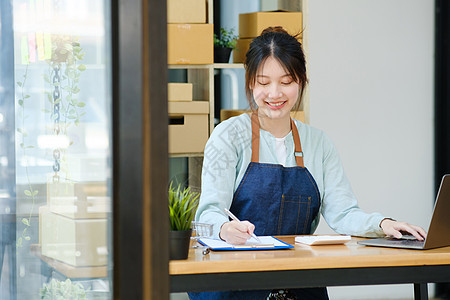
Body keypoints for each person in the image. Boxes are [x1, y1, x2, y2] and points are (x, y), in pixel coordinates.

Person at [189, 27, 427, 300]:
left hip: (298, 279)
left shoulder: (318, 142)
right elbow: (207, 213)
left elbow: (343, 212)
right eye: (263, 82)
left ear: (301, 81)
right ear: (251, 83)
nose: (275, 93)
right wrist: (224, 228)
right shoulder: (227, 136)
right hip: (236, 281)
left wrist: (383, 224)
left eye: (286, 81)